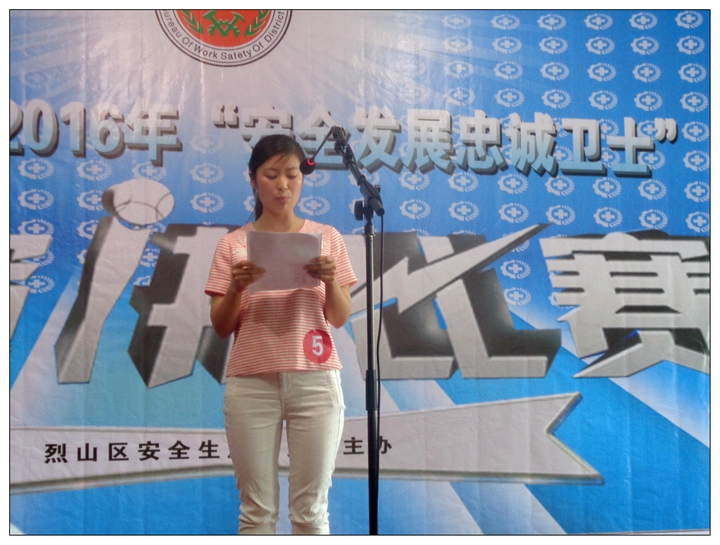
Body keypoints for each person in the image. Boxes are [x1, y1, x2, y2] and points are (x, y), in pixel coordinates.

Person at [205, 134, 357, 534]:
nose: (283, 186)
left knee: (311, 511)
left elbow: (339, 317)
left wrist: (330, 281)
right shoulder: (233, 245)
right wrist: (236, 287)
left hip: (316, 380)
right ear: (253, 180)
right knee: (257, 511)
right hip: (251, 383)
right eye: (271, 175)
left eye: (292, 175)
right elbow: (221, 326)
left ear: (303, 178)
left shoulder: (327, 238)